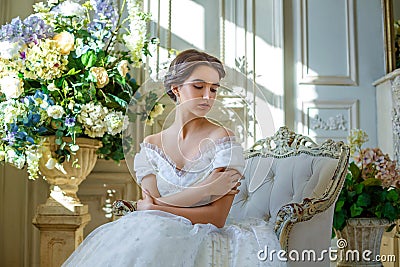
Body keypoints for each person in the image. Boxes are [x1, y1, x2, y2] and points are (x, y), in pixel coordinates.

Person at [62, 49, 285, 266]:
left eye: (214, 89)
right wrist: (206, 189)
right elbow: (150, 209)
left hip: (206, 234)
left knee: (154, 237)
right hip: (155, 231)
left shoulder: (223, 140)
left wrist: (155, 208)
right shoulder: (151, 146)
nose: (208, 96)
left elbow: (216, 217)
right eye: (198, 86)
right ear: (176, 88)